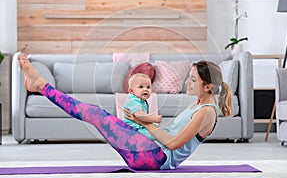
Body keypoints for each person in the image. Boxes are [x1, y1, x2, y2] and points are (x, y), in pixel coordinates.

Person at [18, 53, 233, 170]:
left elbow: (174, 144)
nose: (188, 82)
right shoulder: (197, 104)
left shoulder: (207, 112)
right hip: (150, 151)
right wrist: (145, 125)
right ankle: (40, 86)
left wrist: (146, 124)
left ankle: (41, 86)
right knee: (96, 114)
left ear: (208, 87)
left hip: (156, 158)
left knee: (97, 115)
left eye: (193, 79)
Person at [122, 73, 162, 140]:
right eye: (141, 87)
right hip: (132, 130)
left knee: (157, 131)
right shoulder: (132, 101)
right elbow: (140, 115)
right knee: (156, 135)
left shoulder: (142, 101)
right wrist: (153, 119)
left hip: (139, 127)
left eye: (148, 87)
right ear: (131, 91)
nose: (145, 89)